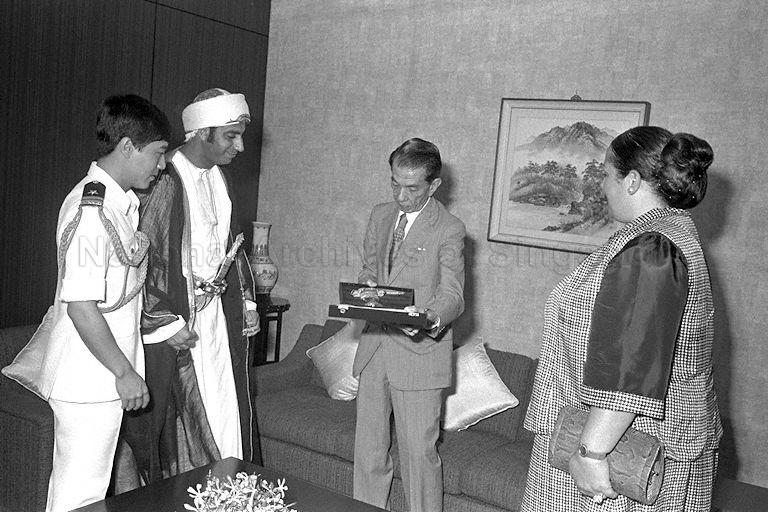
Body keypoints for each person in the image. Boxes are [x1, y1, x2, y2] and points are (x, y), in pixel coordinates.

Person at [521, 126, 722, 511]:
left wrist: (591, 452)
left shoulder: (654, 248)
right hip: (626, 441)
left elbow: (631, 365)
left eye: (606, 174)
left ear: (631, 181)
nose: (601, 186)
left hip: (625, 454)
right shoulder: (664, 232)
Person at [2, 94, 171, 511]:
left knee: (90, 491)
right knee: (79, 495)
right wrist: (124, 371)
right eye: (158, 153)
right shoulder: (92, 209)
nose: (162, 165)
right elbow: (80, 305)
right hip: (91, 377)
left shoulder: (117, 203)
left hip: (99, 376)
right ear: (128, 147)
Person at [122, 88, 260, 484]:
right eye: (231, 135)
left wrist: (247, 301)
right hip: (176, 324)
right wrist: (164, 321)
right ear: (201, 133)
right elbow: (143, 260)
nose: (240, 145)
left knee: (226, 408)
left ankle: (229, 495)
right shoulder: (165, 179)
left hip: (217, 316)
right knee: (182, 421)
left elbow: (234, 247)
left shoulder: (220, 178)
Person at [352, 138, 465, 512]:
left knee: (419, 459)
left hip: (419, 356)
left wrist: (431, 316)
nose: (400, 196)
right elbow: (371, 269)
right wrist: (368, 284)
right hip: (375, 348)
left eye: (411, 187)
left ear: (433, 185)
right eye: (394, 183)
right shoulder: (380, 215)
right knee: (368, 454)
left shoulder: (448, 228)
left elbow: (453, 294)